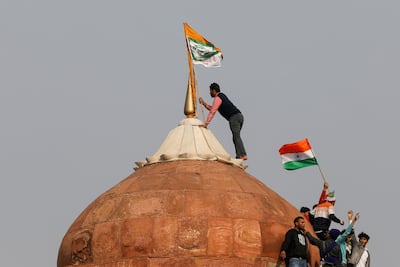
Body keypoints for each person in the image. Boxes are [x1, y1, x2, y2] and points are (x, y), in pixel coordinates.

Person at [199, 82, 247, 160]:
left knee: (236, 136)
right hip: (239, 116)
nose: (210, 93)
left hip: (234, 117)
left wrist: (206, 124)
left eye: (210, 91)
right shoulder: (222, 96)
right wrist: (204, 103)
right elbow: (213, 108)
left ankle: (242, 155)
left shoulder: (218, 98)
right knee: (236, 137)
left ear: (214, 90)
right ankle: (239, 155)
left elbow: (213, 111)